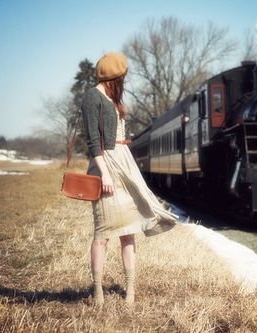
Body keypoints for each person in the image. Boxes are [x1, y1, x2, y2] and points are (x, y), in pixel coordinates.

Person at [80, 52, 177, 306]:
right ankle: (97, 291)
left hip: (124, 163)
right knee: (102, 233)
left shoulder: (112, 98)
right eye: (123, 76)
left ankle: (130, 290)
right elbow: (92, 140)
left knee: (128, 232)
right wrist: (104, 173)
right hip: (106, 164)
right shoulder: (93, 96)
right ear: (116, 76)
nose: (125, 80)